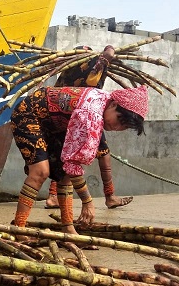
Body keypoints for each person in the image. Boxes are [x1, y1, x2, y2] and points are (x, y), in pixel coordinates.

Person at [10, 85, 147, 236]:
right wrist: (87, 201)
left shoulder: (102, 106)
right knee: (40, 171)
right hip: (29, 114)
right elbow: (73, 164)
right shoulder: (91, 114)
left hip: (56, 124)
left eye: (124, 127)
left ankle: (68, 229)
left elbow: (70, 167)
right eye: (119, 120)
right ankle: (19, 229)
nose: (117, 127)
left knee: (65, 176)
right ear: (113, 104)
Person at [44, 45, 133, 209]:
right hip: (82, 117)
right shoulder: (88, 70)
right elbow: (92, 83)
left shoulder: (67, 71)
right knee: (77, 157)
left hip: (79, 116)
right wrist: (107, 55)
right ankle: (107, 196)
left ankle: (54, 196)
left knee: (72, 155)